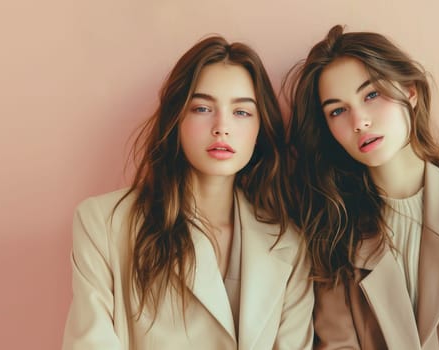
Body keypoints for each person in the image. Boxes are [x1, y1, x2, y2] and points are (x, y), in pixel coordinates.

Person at [62, 36, 313, 349]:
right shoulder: (104, 222)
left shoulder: (288, 241)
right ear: (176, 118)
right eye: (202, 108)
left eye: (242, 112)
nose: (221, 127)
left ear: (261, 128)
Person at [286, 25, 439, 349]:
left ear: (410, 91)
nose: (359, 121)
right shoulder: (334, 229)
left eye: (371, 95)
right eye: (338, 110)